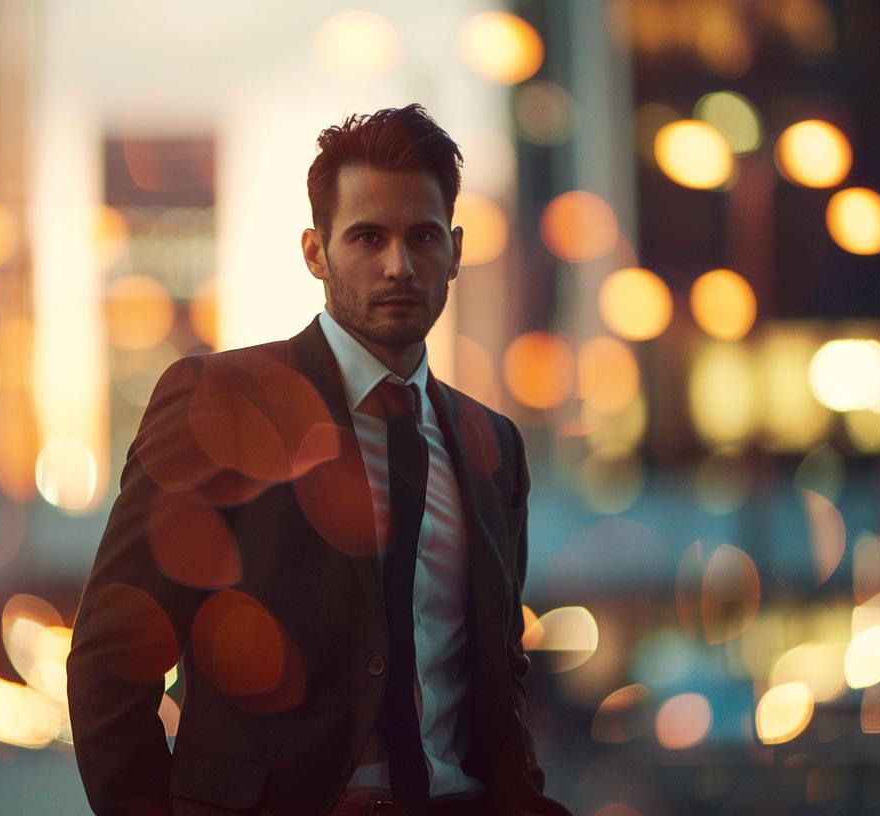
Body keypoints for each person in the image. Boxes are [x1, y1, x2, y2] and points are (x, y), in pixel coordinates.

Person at [67, 104, 571, 816]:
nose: (398, 265)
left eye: (422, 237)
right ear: (315, 252)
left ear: (455, 251)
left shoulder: (493, 444)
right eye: (368, 237)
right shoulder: (222, 404)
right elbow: (111, 664)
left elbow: (498, 676)